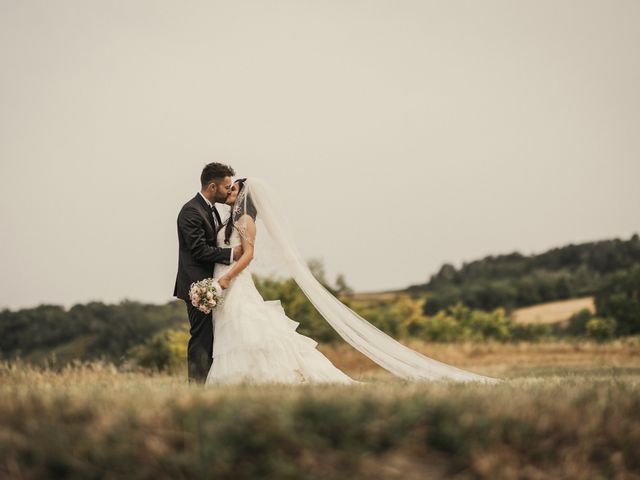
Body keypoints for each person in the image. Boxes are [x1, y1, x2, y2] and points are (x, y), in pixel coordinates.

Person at [205, 177, 500, 385]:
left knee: (250, 329)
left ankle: (263, 376)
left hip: (235, 283)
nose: (230, 190)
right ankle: (245, 378)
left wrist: (228, 278)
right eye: (229, 187)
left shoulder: (246, 222)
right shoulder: (232, 220)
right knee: (241, 329)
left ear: (246, 196)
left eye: (235, 188)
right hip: (227, 283)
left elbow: (249, 255)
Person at [173, 163, 242, 384]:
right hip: (197, 286)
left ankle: (210, 383)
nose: (229, 191)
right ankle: (196, 385)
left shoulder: (210, 210)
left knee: (212, 337)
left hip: (212, 284)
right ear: (213, 186)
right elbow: (199, 250)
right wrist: (233, 253)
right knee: (201, 338)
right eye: (226, 186)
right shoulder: (191, 211)